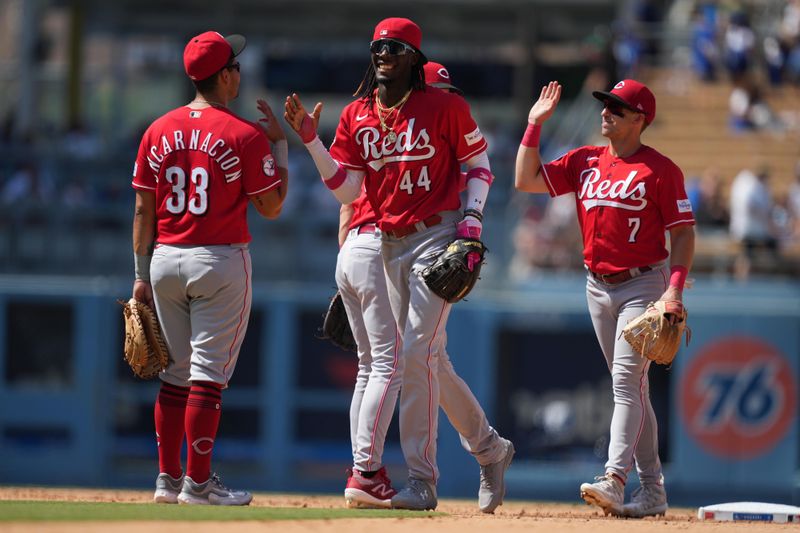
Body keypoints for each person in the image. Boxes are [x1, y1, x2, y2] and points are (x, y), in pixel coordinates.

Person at [284, 18, 514, 512]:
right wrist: (311, 140)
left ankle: (422, 480)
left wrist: (471, 222)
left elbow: (480, 166)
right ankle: (490, 450)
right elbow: (348, 191)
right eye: (377, 47)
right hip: (387, 244)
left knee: (413, 355)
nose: (383, 53)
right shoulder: (357, 115)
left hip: (438, 233)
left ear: (414, 57)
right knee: (427, 360)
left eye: (394, 47)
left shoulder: (445, 105)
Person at [515, 79, 695, 518]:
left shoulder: (660, 170)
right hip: (596, 285)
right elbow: (525, 180)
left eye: (617, 107)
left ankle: (614, 479)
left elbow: (683, 233)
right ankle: (652, 490)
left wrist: (673, 289)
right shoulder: (586, 160)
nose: (605, 112)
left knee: (624, 384)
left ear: (639, 119)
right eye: (605, 105)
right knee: (633, 388)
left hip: (642, 285)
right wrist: (533, 125)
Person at [131, 30, 289, 505]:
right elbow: (272, 208)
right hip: (219, 259)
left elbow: (143, 210)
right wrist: (279, 147)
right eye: (235, 67)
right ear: (223, 76)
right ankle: (198, 484)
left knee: (173, 376)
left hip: (163, 259)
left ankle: (167, 479)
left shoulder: (157, 129)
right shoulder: (243, 134)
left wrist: (139, 274)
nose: (238, 73)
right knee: (206, 377)